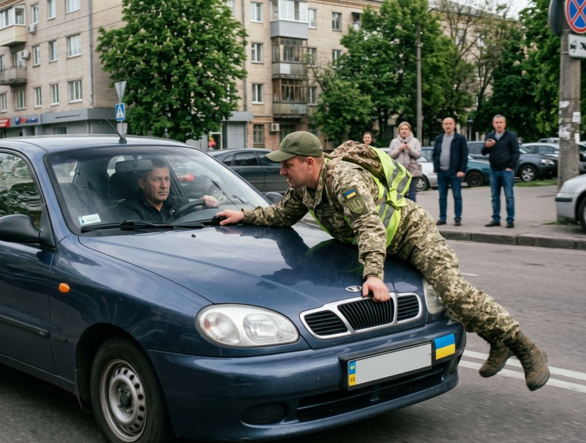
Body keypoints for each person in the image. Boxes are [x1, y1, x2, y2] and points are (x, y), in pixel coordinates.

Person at [216, 131, 550, 391]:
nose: (282, 171)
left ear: (308, 162)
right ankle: (497, 342)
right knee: (443, 298)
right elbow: (281, 214)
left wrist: (373, 274)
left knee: (453, 292)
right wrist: (243, 214)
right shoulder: (305, 189)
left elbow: (369, 225)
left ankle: (525, 348)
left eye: (287, 164)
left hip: (410, 234)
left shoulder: (343, 179)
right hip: (383, 244)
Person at [113, 158, 218, 223]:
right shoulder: (127, 210)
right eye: (157, 179)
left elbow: (197, 217)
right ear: (142, 183)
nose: (164, 185)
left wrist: (208, 204)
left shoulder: (178, 203)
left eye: (167, 179)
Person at [481, 114, 519, 228]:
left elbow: (516, 152)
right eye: (496, 123)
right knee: (494, 197)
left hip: (506, 170)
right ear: (493, 124)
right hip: (494, 170)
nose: (499, 124)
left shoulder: (511, 136)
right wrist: (487, 146)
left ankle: (510, 219)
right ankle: (495, 219)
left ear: (505, 124)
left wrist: (510, 166)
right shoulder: (490, 135)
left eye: (501, 122)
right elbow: (483, 152)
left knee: (509, 197)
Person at [432, 117, 468, 226]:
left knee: (457, 196)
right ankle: (442, 218)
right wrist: (436, 166)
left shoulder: (460, 138)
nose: (448, 126)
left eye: (450, 124)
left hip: (455, 172)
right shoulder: (439, 138)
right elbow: (435, 154)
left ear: (454, 125)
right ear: (443, 126)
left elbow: (464, 155)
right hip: (441, 172)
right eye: (446, 124)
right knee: (442, 196)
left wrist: (462, 170)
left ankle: (457, 218)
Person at [387, 122, 422, 202]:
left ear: (409, 131)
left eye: (406, 129)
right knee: (400, 195)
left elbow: (419, 155)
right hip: (399, 173)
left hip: (412, 172)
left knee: (412, 195)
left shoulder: (415, 141)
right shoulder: (394, 141)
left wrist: (410, 149)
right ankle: (401, 213)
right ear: (399, 131)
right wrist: (399, 149)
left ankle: (412, 213)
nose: (404, 131)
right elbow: (389, 156)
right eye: (402, 129)